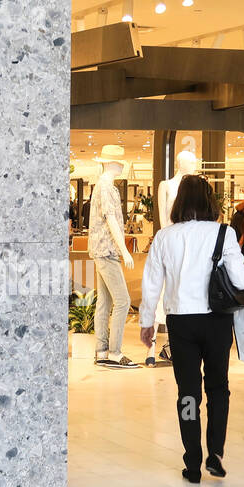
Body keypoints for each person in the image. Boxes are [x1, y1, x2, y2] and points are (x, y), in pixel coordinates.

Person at [139, 175, 244, 483]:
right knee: (218, 387)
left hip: (181, 322)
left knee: (187, 393)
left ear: (179, 203)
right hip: (216, 320)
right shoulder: (223, 233)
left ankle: (192, 462)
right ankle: (215, 452)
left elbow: (151, 283)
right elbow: (242, 282)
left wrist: (147, 322)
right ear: (209, 201)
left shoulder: (165, 237)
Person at [89, 145, 140, 369]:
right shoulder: (106, 186)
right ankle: (114, 352)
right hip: (107, 251)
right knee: (123, 301)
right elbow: (110, 220)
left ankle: (102, 351)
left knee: (105, 302)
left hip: (102, 251)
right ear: (112, 163)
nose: (121, 165)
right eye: (119, 162)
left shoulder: (103, 185)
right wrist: (125, 250)